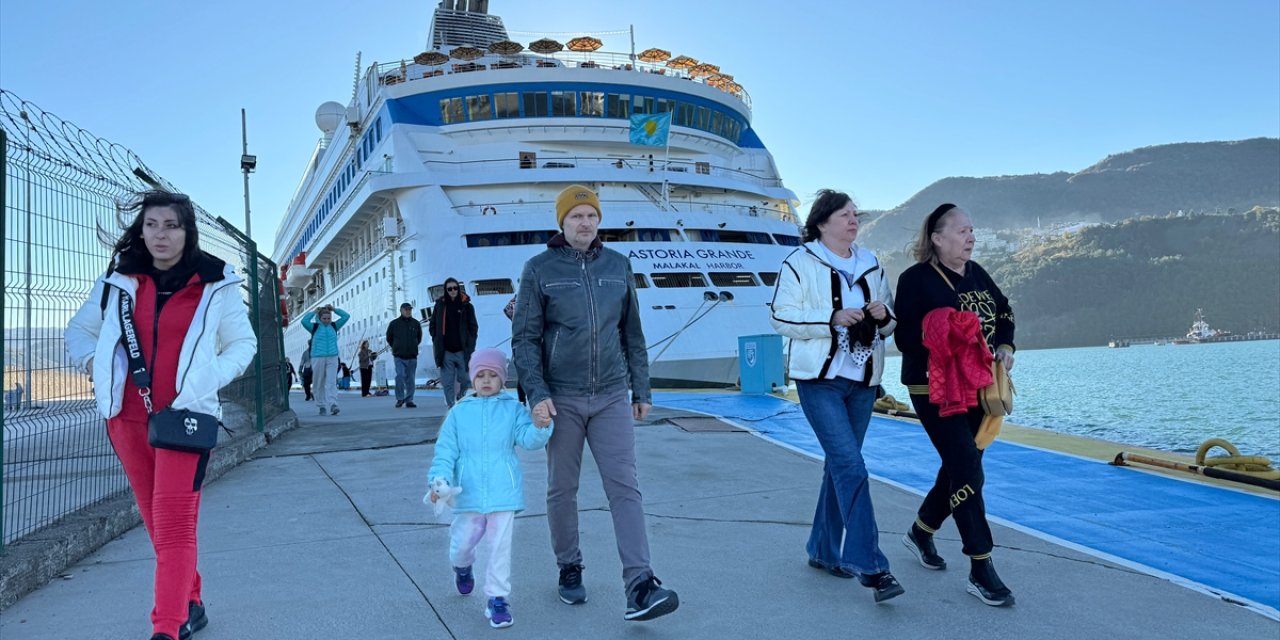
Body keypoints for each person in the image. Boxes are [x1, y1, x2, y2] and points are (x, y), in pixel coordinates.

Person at [64, 190, 257, 640]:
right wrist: (96, 365)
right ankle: (191, 601)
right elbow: (80, 330)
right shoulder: (119, 278)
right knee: (156, 520)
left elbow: (242, 345)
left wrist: (205, 380)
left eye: (170, 225)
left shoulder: (215, 282)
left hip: (184, 418)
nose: (160, 235)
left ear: (187, 230)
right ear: (141, 229)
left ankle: (167, 626)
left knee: (173, 524)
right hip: (125, 418)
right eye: (151, 225)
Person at [512, 184, 679, 621]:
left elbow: (633, 334)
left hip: (610, 395)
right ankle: (569, 566)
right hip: (561, 398)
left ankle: (640, 584)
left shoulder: (618, 265)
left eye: (591, 216)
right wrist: (538, 394)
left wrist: (640, 389)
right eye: (576, 217)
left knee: (625, 487)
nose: (585, 223)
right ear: (561, 223)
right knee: (561, 489)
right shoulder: (538, 269)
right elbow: (525, 339)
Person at [769, 189, 904, 603]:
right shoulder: (799, 262)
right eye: (844, 215)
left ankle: (824, 550)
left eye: (855, 215)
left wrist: (883, 318)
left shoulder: (871, 263)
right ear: (822, 222)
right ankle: (872, 566)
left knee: (839, 467)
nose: (853, 221)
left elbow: (889, 324)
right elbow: (781, 316)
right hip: (819, 382)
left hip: (862, 382)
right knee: (850, 465)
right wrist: (830, 319)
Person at [893, 203, 1017, 607]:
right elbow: (905, 339)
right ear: (937, 237)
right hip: (933, 388)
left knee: (960, 465)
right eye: (962, 231)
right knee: (967, 466)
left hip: (978, 386)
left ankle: (922, 530)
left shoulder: (977, 273)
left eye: (972, 231)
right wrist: (947, 332)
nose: (970, 238)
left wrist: (1004, 344)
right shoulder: (915, 280)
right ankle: (981, 567)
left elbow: (1004, 312)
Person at [427, 348, 553, 629]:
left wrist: (542, 426)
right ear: (472, 378)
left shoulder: (513, 410)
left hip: (502, 494)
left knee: (499, 548)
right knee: (462, 545)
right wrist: (439, 480)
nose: (486, 380)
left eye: (492, 375)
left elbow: (529, 439)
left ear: (502, 379)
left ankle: (498, 598)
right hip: (467, 494)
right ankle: (462, 566)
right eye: (480, 375)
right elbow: (445, 451)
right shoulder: (459, 412)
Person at [430, 277, 478, 408]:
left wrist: (471, 342)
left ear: (458, 288)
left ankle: (461, 395)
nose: (453, 291)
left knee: (465, 379)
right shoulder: (440, 305)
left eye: (455, 288)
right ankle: (451, 406)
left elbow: (473, 327)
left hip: (462, 350)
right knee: (447, 382)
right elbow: (433, 324)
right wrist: (436, 338)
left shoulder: (467, 306)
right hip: (445, 351)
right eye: (449, 289)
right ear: (446, 290)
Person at [300, 305, 350, 415]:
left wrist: (334, 310)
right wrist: (314, 312)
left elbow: (346, 316)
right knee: (319, 382)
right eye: (324, 318)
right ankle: (321, 405)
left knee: (331, 381)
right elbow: (304, 321)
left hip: (332, 356)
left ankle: (333, 404)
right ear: (320, 318)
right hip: (317, 357)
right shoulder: (314, 327)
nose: (327, 321)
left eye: (329, 318)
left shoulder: (334, 326)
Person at [387, 302, 424, 408]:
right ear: (401, 310)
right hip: (399, 356)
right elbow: (389, 338)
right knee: (400, 376)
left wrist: (413, 346)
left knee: (411, 379)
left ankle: (409, 400)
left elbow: (419, 338)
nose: (408, 311)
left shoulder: (416, 323)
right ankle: (399, 399)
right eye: (406, 309)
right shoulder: (394, 324)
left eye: (409, 310)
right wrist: (396, 347)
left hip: (412, 356)